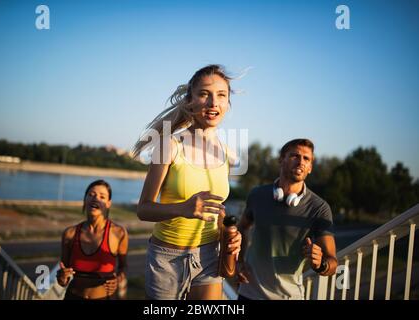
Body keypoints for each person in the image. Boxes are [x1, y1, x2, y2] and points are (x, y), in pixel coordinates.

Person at [132, 64, 242, 300]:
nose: (213, 103)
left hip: (209, 255)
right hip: (167, 258)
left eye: (221, 95)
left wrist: (230, 234)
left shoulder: (227, 153)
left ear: (228, 103)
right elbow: (143, 209)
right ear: (190, 100)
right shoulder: (169, 145)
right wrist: (183, 208)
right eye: (204, 94)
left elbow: (216, 209)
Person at [237, 138, 338, 300]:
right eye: (295, 156)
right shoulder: (257, 194)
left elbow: (332, 262)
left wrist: (320, 264)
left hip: (289, 297)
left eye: (306, 159)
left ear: (310, 167)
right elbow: (242, 228)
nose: (301, 162)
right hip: (249, 293)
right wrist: (239, 261)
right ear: (281, 160)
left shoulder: (319, 208)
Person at [57, 179, 128, 300]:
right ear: (85, 200)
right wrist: (62, 277)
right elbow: (63, 279)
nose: (95, 198)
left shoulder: (118, 233)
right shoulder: (70, 234)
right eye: (91, 194)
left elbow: (123, 267)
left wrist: (118, 279)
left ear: (108, 203)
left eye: (102, 196)